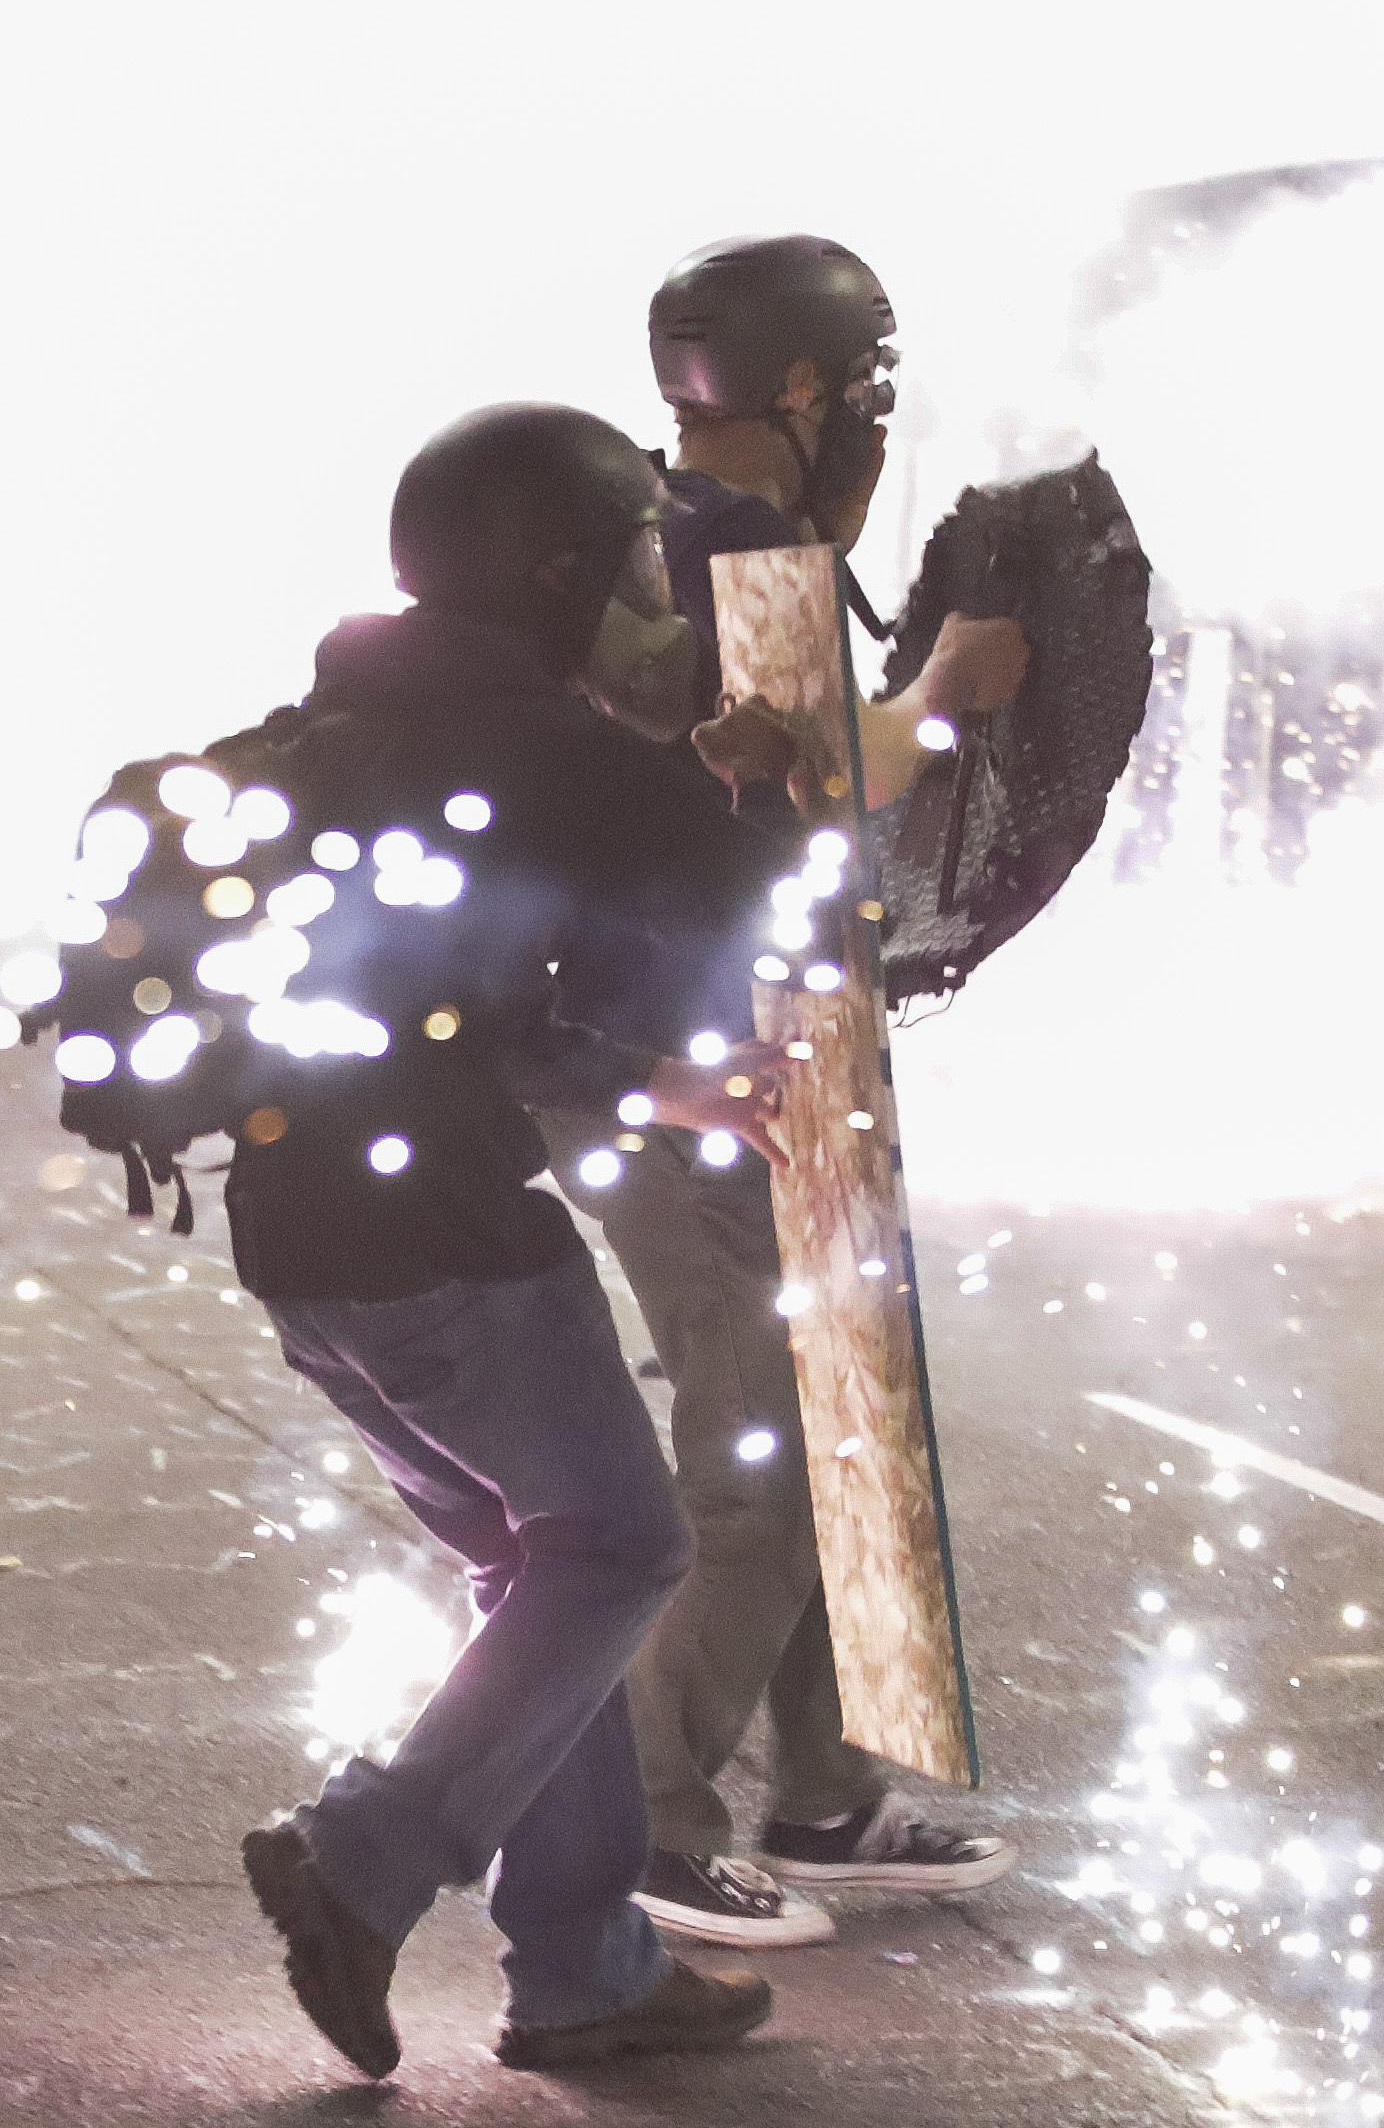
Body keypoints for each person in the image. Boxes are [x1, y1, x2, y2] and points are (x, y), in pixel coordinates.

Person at [225, 401, 800, 2080]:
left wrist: (649, 1085)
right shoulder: (533, 741)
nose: (647, 591)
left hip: (300, 1232)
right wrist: (779, 769)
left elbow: (444, 1007)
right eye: (631, 558)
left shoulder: (345, 719)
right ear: (552, 570)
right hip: (446, 1237)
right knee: (619, 1550)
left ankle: (583, 1963)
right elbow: (769, 898)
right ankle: (363, 1854)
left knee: (535, 1560)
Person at [539, 233, 1026, 1950]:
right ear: (808, 392)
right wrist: (956, 684)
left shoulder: (658, 537)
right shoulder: (735, 543)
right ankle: (645, 1821)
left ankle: (826, 1787)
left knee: (848, 1426)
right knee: (772, 1442)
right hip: (698, 1065)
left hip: (771, 1039)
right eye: (862, 388)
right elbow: (824, 782)